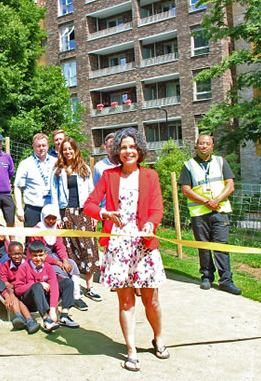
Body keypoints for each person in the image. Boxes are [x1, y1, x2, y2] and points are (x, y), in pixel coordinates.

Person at [84, 128, 169, 372]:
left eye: (132, 147)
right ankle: (131, 350)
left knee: (151, 300)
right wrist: (104, 213)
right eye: (123, 147)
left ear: (139, 150)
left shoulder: (150, 176)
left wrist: (151, 223)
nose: (127, 151)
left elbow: (157, 208)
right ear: (116, 152)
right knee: (126, 301)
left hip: (144, 243)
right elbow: (89, 204)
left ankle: (158, 338)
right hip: (118, 245)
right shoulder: (109, 176)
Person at [179, 134, 241, 295]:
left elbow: (230, 185)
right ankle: (206, 276)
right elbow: (186, 190)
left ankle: (226, 281)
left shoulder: (221, 162)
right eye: (201, 143)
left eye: (207, 143)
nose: (204, 146)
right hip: (199, 213)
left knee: (221, 246)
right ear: (196, 145)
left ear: (212, 146)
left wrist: (217, 200)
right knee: (204, 246)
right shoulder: (188, 165)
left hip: (220, 211)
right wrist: (206, 202)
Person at [51, 136, 102, 302]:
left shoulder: (84, 168)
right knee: (71, 251)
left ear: (75, 149)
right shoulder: (57, 170)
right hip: (66, 213)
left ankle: (90, 287)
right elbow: (54, 196)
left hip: (84, 213)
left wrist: (94, 214)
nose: (68, 151)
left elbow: (92, 193)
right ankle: (75, 290)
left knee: (89, 249)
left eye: (70, 148)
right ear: (61, 151)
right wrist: (57, 216)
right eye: (65, 149)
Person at [27, 204, 89, 311]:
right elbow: (37, 253)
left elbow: (60, 246)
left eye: (53, 218)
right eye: (48, 218)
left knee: (72, 264)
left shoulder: (55, 229)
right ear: (43, 217)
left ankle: (76, 296)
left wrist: (64, 260)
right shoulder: (37, 230)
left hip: (54, 255)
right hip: (40, 258)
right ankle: (63, 295)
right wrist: (58, 263)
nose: (51, 221)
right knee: (57, 270)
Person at [14, 240, 79, 332]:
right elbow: (18, 289)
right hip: (31, 300)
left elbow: (54, 287)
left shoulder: (48, 267)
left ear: (45, 255)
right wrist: (37, 284)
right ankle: (46, 319)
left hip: (45, 298)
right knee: (37, 286)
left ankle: (64, 316)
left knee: (68, 282)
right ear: (30, 255)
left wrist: (53, 309)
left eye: (40, 255)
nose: (38, 258)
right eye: (35, 256)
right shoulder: (24, 267)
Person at [14, 133, 57, 227]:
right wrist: (19, 208)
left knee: (51, 239)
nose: (41, 148)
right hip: (32, 208)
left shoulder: (56, 162)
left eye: (44, 145)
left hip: (51, 208)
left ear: (48, 146)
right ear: (33, 146)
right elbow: (17, 187)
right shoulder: (25, 164)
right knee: (32, 239)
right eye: (38, 146)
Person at [0, 241, 40, 333]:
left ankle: (19, 316)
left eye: (19, 254)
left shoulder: (28, 265)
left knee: (15, 293)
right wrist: (8, 285)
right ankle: (28, 320)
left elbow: (31, 279)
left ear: (23, 254)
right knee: (12, 293)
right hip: (12, 291)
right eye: (14, 254)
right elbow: (3, 280)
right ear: (9, 255)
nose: (17, 257)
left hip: (24, 290)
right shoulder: (6, 265)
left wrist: (16, 286)